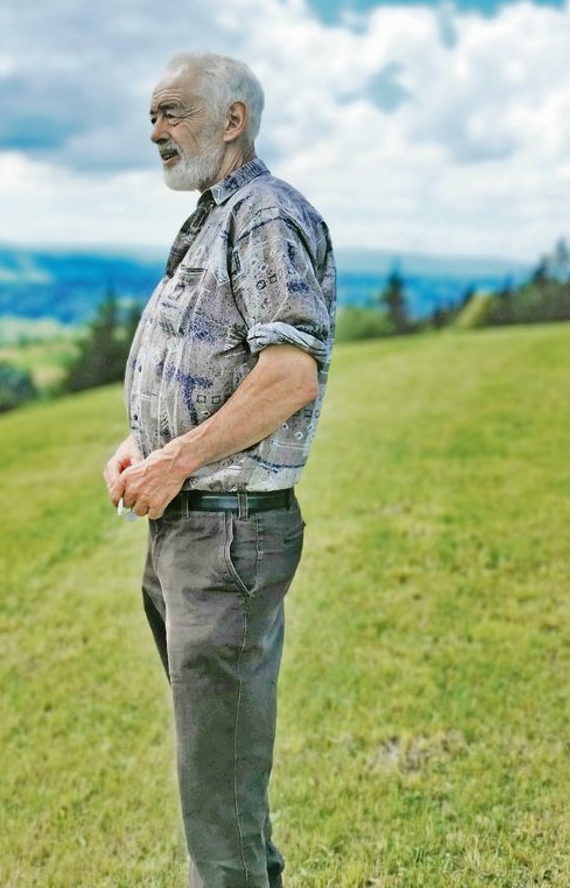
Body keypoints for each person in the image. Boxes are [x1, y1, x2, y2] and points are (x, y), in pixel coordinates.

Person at [105, 52, 337, 887]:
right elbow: (208, 358)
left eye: (172, 113)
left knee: (217, 794)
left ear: (232, 119)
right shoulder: (217, 214)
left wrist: (174, 457)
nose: (157, 133)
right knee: (223, 782)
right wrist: (144, 440)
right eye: (153, 119)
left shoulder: (264, 215)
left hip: (227, 536)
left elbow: (289, 374)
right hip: (190, 529)